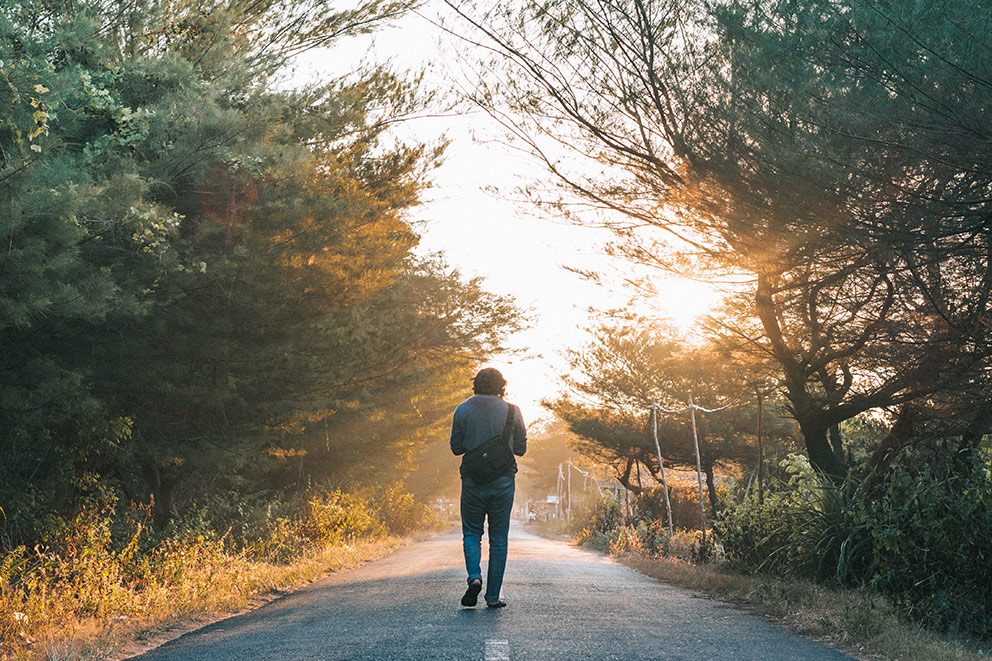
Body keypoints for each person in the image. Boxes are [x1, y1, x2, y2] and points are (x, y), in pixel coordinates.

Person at [449, 367, 527, 608]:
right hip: (503, 481)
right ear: (501, 386)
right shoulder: (513, 411)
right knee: (499, 538)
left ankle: (474, 576)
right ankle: (493, 596)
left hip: (472, 481)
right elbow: (521, 449)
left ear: (475, 384)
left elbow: (456, 448)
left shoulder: (462, 409)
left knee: (472, 533)